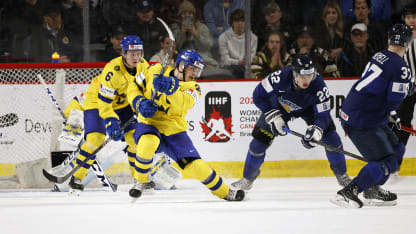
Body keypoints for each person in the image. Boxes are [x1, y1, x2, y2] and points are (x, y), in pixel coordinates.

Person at [127, 48, 245, 201]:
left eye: (198, 70)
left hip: (174, 131)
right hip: (150, 123)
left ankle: (225, 192)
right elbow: (133, 87)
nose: (195, 74)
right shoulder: (155, 69)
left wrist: (172, 89)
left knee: (196, 166)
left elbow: (181, 105)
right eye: (193, 69)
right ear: (181, 65)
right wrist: (139, 102)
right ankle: (141, 182)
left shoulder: (194, 87)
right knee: (147, 142)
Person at [232, 54, 351, 192]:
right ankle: (247, 179)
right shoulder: (279, 77)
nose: (306, 80)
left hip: (310, 110)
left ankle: (342, 176)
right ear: (294, 72)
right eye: (302, 76)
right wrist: (274, 116)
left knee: (332, 138)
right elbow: (258, 95)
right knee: (258, 142)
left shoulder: (319, 85)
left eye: (310, 75)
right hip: (279, 108)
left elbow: (323, 115)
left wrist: (317, 130)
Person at [332, 23, 413, 208]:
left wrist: (405, 88)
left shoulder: (380, 55)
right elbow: (393, 101)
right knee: (389, 161)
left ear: (389, 40)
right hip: (363, 119)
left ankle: (372, 187)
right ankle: (350, 190)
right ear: (408, 44)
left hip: (359, 112)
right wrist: (407, 89)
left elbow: (384, 89)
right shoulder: (401, 68)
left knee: (397, 149)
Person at [67, 35, 149, 195]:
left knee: (135, 138)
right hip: (97, 102)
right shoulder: (112, 70)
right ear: (124, 54)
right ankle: (76, 178)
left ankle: (139, 180)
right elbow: (104, 102)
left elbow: (148, 87)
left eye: (139, 53)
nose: (136, 57)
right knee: (95, 140)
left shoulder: (143, 66)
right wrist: (111, 121)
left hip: (123, 104)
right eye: (132, 54)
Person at [171, 0, 217, 68]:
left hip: (203, 59)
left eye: (190, 13)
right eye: (184, 14)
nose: (187, 16)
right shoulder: (175, 27)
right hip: (184, 61)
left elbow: (209, 45)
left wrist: (196, 34)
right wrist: (181, 34)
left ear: (194, 15)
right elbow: (172, 48)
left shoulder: (202, 27)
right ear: (180, 15)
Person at [395, 5, 416, 147]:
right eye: (408, 17)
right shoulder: (399, 38)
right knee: (402, 123)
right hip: (407, 87)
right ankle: (395, 160)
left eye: (414, 17)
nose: (411, 20)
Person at [218, 8, 258, 78]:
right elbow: (225, 60)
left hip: (247, 68)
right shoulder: (223, 37)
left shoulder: (253, 38)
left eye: (242, 21)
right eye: (237, 21)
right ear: (232, 23)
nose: (240, 23)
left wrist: (245, 62)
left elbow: (252, 58)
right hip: (229, 68)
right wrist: (238, 62)